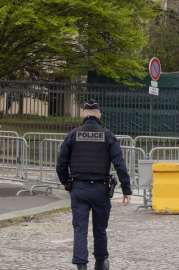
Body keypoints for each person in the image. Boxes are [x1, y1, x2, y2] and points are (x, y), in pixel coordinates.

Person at [56, 99, 132, 270]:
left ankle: (81, 265)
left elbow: (60, 165)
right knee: (100, 228)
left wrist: (67, 184)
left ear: (82, 115)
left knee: (80, 228)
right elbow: (120, 164)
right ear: (99, 116)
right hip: (100, 189)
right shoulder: (108, 136)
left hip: (79, 188)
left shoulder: (73, 135)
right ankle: (101, 262)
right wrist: (126, 189)